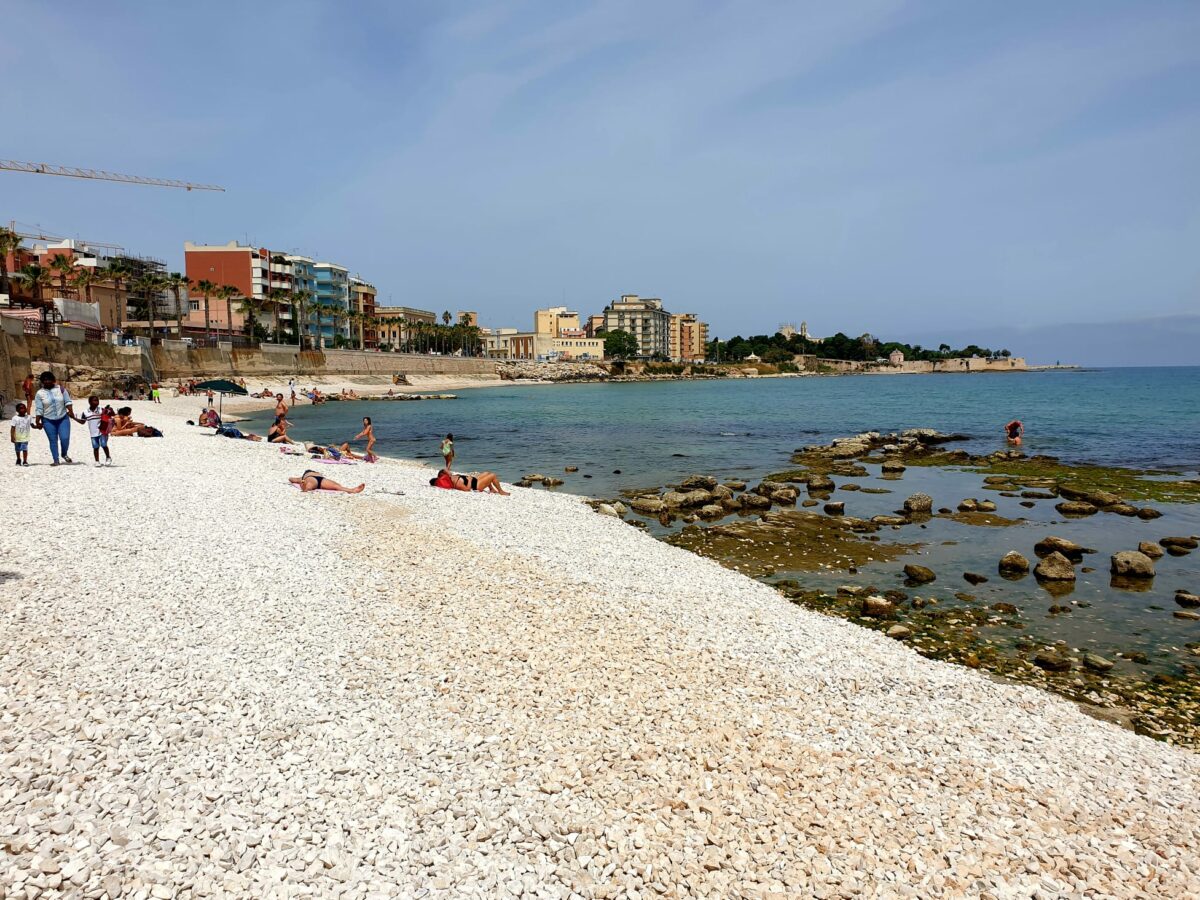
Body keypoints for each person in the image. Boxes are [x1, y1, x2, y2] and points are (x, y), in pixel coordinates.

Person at [33, 371, 74, 465]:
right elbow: (39, 409)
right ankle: (56, 460)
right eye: (45, 380)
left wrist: (71, 412)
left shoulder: (61, 389)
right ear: (42, 381)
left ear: (53, 380)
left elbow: (67, 401)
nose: (47, 381)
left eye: (49, 379)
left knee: (65, 438)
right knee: (53, 440)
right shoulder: (39, 393)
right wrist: (37, 421)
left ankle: (64, 454)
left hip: (63, 418)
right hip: (48, 420)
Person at [78, 395, 113, 467]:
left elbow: (111, 414)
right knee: (95, 447)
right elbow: (82, 422)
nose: (97, 402)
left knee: (104, 444)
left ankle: (108, 457)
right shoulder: (85, 412)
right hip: (93, 433)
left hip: (102, 431)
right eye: (95, 400)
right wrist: (73, 417)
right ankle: (97, 461)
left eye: (97, 400)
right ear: (89, 402)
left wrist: (109, 410)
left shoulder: (101, 410)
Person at [429, 468, 509, 495]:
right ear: (444, 474)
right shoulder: (455, 481)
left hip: (475, 480)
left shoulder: (452, 477)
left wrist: (470, 478)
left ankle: (491, 488)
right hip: (476, 485)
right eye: (447, 470)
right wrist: (470, 480)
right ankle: (501, 491)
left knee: (486, 473)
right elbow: (466, 489)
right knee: (493, 475)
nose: (449, 470)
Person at [289, 470, 364, 493]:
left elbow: (292, 479)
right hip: (320, 479)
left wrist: (301, 480)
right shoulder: (306, 475)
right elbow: (291, 479)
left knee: (337, 485)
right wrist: (301, 480)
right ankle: (352, 490)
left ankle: (353, 490)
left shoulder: (304, 476)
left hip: (312, 479)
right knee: (337, 486)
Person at [10, 402, 31, 467]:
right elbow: (12, 428)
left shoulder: (29, 417)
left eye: (24, 408)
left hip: (25, 436)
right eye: (21, 408)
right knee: (17, 449)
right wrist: (12, 437)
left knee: (25, 449)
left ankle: (25, 461)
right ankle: (18, 459)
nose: (23, 410)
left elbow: (32, 425)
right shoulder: (15, 418)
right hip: (17, 437)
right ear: (17, 410)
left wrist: (38, 426)